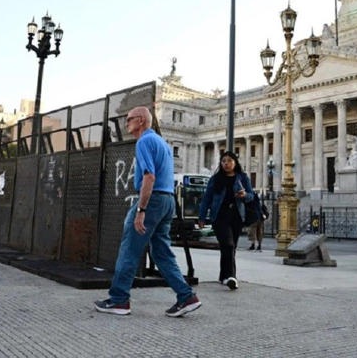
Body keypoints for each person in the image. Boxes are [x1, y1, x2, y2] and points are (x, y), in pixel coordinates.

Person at [94, 106, 201, 317]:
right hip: (167, 200)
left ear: (141, 120)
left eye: (129, 119)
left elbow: (149, 176)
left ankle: (119, 300)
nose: (126, 123)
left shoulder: (144, 141)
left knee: (129, 249)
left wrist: (141, 209)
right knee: (161, 253)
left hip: (152, 201)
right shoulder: (162, 143)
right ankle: (186, 296)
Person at [198, 151, 255, 290]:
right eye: (223, 161)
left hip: (236, 216)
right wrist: (202, 217)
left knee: (230, 247)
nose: (226, 164)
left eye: (229, 161)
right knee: (228, 245)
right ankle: (231, 277)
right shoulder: (215, 179)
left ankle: (223, 276)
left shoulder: (242, 177)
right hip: (219, 216)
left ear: (235, 162)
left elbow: (251, 196)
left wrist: (244, 195)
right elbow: (206, 199)